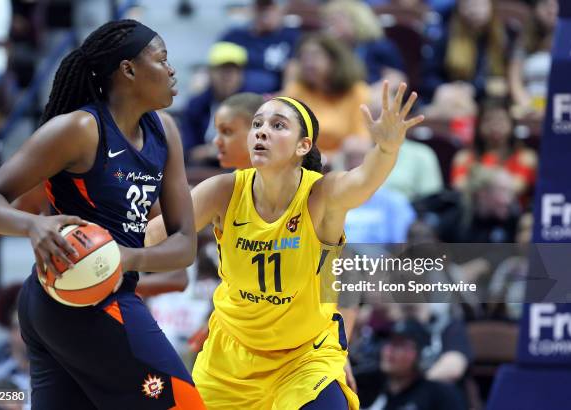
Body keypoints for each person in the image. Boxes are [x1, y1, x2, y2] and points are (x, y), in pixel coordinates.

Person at [0, 20, 204, 410]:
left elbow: (184, 247)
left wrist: (127, 257)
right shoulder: (80, 128)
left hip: (97, 296)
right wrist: (33, 225)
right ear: (128, 70)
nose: (172, 70)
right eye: (162, 60)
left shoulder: (166, 132)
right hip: (76, 304)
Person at [157, 81, 424, 409]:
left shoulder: (320, 196)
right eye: (256, 124)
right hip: (232, 358)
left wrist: (386, 150)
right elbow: (152, 234)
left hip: (303, 358)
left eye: (277, 125)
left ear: (303, 145)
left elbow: (362, 182)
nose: (261, 131)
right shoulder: (222, 191)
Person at [282, 33, 371, 157]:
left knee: (355, 148)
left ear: (334, 60)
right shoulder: (296, 89)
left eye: (314, 56)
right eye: (303, 57)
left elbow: (360, 139)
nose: (308, 63)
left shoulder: (357, 91)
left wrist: (330, 159)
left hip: (342, 162)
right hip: (302, 160)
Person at [450, 99, 537, 204]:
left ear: (512, 124)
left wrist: (481, 177)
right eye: (488, 120)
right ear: (479, 125)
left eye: (501, 120)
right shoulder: (464, 157)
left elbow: (518, 187)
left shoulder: (525, 157)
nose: (495, 126)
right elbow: (459, 187)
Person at [367, 319, 465, 410]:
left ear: (421, 355)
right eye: (388, 342)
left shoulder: (440, 394)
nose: (389, 351)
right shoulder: (371, 389)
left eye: (400, 345)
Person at [182, 42, 249, 159]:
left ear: (241, 75)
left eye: (233, 71)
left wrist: (212, 151)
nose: (227, 77)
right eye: (222, 70)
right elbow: (188, 150)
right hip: (202, 170)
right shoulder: (196, 105)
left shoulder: (252, 106)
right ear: (210, 73)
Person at [219, 0, 301, 93]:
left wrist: (285, 95)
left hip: (274, 94)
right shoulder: (234, 36)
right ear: (252, 9)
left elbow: (293, 68)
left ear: (280, 9)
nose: (265, 13)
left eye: (269, 8)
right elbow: (217, 65)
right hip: (237, 93)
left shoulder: (290, 35)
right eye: (260, 8)